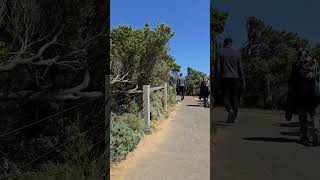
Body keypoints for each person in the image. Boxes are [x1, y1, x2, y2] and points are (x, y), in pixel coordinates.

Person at [289, 49, 317, 144]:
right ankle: (316, 137)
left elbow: (292, 81)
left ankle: (304, 138)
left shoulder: (296, 65)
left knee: (303, 118)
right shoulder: (314, 63)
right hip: (313, 95)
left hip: (300, 95)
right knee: (314, 116)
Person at [217, 38, 246, 123]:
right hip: (236, 78)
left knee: (225, 97)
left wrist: (217, 79)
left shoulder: (220, 52)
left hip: (225, 77)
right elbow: (240, 68)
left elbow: (218, 67)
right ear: (231, 43)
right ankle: (234, 118)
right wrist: (243, 80)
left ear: (224, 43)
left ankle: (230, 110)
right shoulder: (237, 53)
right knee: (235, 98)